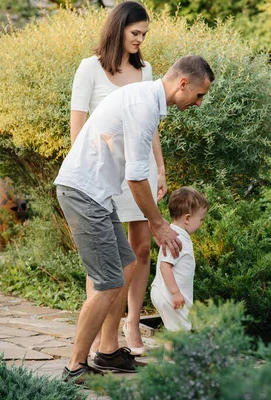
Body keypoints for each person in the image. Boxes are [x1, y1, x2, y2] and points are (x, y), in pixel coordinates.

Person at [55, 55, 215, 382]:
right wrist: (158, 225)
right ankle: (75, 365)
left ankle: (108, 353)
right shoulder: (143, 105)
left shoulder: (145, 100)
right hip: (83, 193)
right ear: (183, 84)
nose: (199, 103)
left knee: (127, 264)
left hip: (96, 194)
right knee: (108, 281)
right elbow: (136, 179)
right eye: (199, 95)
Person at [70, 1, 164, 356]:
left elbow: (150, 125)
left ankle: (131, 324)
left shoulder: (147, 70)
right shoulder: (89, 69)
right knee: (104, 253)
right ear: (118, 29)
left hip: (139, 172)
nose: (140, 40)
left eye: (144, 34)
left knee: (140, 249)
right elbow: (78, 125)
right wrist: (88, 169)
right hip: (102, 173)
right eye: (135, 33)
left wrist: (161, 167)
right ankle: (97, 333)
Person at [150, 187, 208, 331]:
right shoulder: (176, 238)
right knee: (181, 334)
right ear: (187, 218)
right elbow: (165, 266)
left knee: (176, 333)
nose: (202, 223)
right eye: (201, 219)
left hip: (168, 294)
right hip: (169, 295)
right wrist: (175, 293)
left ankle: (170, 354)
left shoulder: (176, 235)